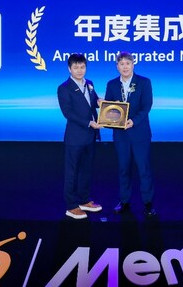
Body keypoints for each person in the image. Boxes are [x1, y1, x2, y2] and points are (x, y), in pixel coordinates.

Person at [104, 51, 156, 217]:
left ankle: (148, 203)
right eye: (121, 64)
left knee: (143, 169)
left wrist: (133, 121)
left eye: (128, 63)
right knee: (123, 169)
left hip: (140, 133)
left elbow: (146, 106)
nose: (125, 67)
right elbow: (109, 108)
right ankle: (124, 201)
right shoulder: (112, 84)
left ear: (133, 65)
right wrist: (109, 112)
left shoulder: (144, 82)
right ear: (117, 66)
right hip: (121, 135)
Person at [57, 53, 103, 219]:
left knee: (86, 170)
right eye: (75, 67)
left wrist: (100, 102)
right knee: (72, 172)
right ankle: (71, 206)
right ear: (69, 69)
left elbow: (93, 101)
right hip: (75, 137)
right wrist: (89, 123)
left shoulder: (89, 83)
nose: (79, 70)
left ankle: (84, 200)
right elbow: (68, 113)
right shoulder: (64, 88)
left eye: (82, 67)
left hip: (90, 136)